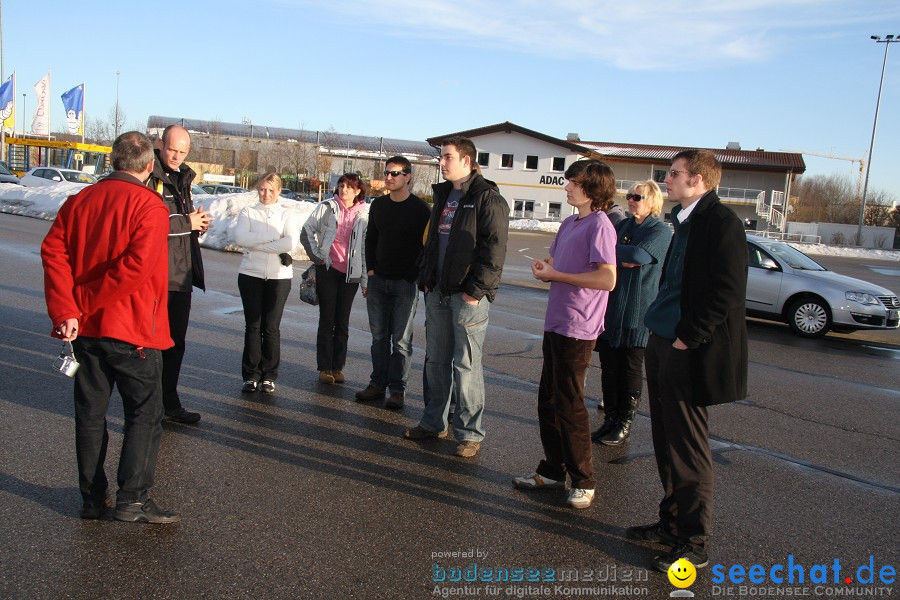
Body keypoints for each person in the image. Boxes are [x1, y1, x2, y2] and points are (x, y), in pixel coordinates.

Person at [41, 131, 180, 524]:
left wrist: (69, 308)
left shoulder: (79, 200)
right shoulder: (149, 206)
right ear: (149, 165)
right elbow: (135, 269)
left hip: (86, 330)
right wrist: (79, 304)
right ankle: (132, 498)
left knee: (90, 414)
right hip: (132, 329)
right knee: (144, 414)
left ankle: (92, 498)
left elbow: (53, 252)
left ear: (113, 161)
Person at [628, 150, 748, 572]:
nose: (668, 180)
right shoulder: (681, 221)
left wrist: (687, 337)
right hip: (662, 340)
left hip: (686, 347)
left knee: (688, 448)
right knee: (665, 441)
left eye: (674, 174)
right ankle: (671, 524)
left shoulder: (721, 223)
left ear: (697, 180)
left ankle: (694, 543)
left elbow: (728, 291)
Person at [512, 159, 617, 509]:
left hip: (579, 326)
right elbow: (557, 263)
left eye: (573, 182)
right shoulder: (570, 222)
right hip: (556, 322)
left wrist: (557, 277)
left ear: (592, 188)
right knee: (549, 401)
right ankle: (553, 469)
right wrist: (547, 267)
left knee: (570, 404)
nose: (567, 187)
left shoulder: (601, 225)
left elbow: (607, 278)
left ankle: (584, 480)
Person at [404, 136, 509, 459]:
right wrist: (425, 277)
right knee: (435, 361)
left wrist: (476, 291)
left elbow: (494, 250)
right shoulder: (444, 195)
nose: (442, 162)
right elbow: (432, 242)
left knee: (466, 365)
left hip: (468, 297)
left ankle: (469, 433)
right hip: (437, 292)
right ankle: (434, 422)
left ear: (466, 160)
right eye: (441, 157)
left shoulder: (487, 198)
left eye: (447, 157)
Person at [592, 181, 671, 445]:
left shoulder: (659, 231)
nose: (631, 200)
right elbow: (601, 250)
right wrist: (621, 256)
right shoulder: (623, 225)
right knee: (609, 366)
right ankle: (609, 420)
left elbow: (638, 255)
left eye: (638, 196)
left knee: (630, 367)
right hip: (612, 307)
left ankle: (624, 424)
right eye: (629, 196)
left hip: (638, 310)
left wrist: (621, 255)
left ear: (652, 201)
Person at [147, 124, 211, 425]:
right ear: (161, 144)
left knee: (176, 343)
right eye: (173, 149)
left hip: (181, 275)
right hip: (157, 276)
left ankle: (169, 403)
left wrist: (196, 223)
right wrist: (187, 221)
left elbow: (177, 223)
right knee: (152, 346)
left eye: (183, 152)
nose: (176, 156)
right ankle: (149, 406)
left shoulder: (183, 177)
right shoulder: (149, 175)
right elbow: (149, 222)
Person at [355, 157, 430, 409]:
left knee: (400, 340)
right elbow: (370, 240)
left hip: (404, 285)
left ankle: (397, 389)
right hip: (379, 282)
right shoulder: (379, 205)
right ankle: (377, 384)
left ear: (408, 176)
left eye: (394, 173)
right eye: (386, 173)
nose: (388, 177)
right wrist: (372, 270)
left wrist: (411, 276)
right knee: (378, 337)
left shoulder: (420, 209)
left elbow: (426, 247)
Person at [232, 173, 300, 395]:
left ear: (279, 190)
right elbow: (241, 238)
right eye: (262, 189)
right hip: (250, 274)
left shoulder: (287, 213)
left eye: (271, 190)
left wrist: (258, 243)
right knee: (253, 326)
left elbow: (290, 241)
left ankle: (269, 375)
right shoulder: (248, 212)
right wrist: (273, 241)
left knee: (270, 327)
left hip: (279, 277)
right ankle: (250, 375)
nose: (266, 194)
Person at [300, 173, 369, 384]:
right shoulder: (327, 207)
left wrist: (365, 281)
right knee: (327, 319)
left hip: (351, 275)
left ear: (358, 191)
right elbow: (306, 231)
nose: (344, 190)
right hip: (328, 270)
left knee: (342, 322)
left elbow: (367, 249)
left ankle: (337, 367)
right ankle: (324, 367)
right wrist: (318, 257)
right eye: (341, 186)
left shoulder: (365, 214)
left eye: (349, 187)